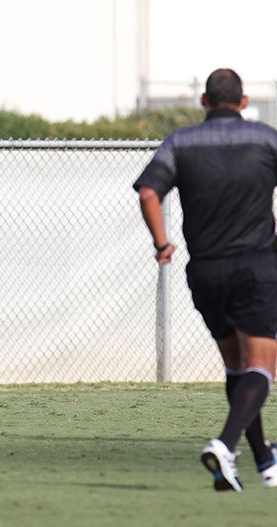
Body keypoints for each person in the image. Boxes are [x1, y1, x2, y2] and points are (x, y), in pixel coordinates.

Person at [134, 68, 277, 492]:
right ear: (244, 101)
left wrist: (162, 243)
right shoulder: (268, 138)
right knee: (262, 366)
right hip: (256, 267)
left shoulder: (180, 141)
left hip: (206, 271)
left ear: (204, 102)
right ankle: (225, 445)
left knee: (237, 366)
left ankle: (266, 462)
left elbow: (147, 192)